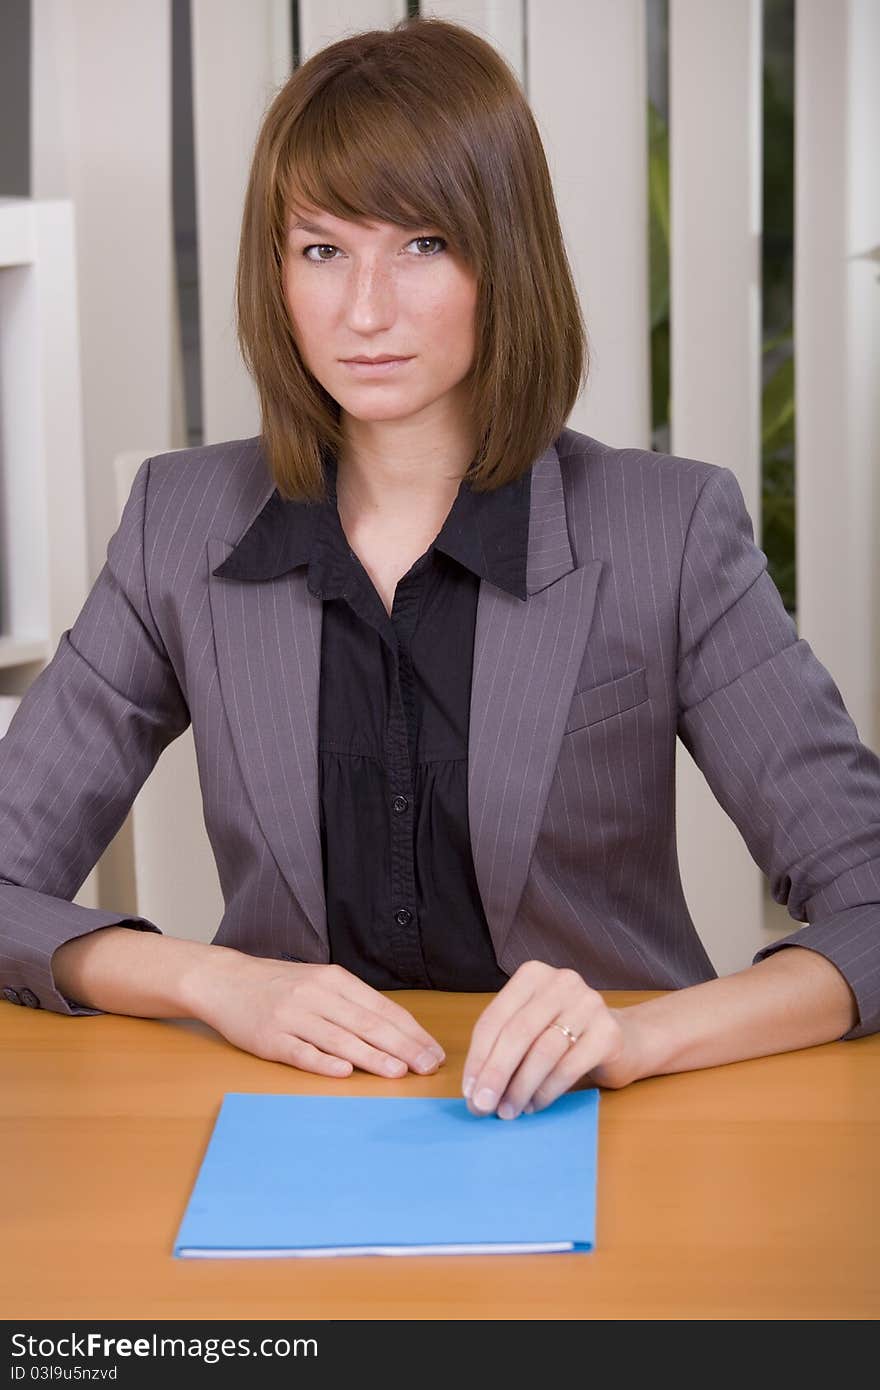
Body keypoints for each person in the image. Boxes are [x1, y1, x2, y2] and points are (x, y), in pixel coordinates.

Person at [1, 17, 877, 1126]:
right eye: (322, 249)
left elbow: (871, 901)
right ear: (275, 274)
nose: (364, 311)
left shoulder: (668, 528)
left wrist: (638, 1033)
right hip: (289, 1129)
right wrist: (210, 978)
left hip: (603, 1132)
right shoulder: (179, 526)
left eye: (420, 245)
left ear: (500, 256)